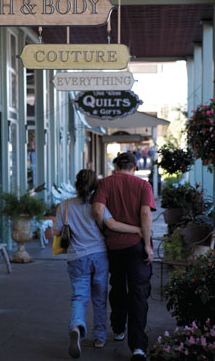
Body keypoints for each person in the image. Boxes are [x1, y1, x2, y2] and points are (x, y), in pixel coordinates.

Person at [54, 169, 144, 359]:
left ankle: (77, 326)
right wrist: (138, 229)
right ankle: (100, 337)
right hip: (99, 256)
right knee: (99, 298)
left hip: (76, 258)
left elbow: (56, 232)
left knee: (79, 296)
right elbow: (112, 225)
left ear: (76, 184)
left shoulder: (65, 206)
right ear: (96, 185)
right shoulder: (98, 205)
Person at [92, 152, 156, 361]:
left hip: (114, 246)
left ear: (115, 165)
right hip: (137, 246)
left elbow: (98, 211)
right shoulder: (143, 186)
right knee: (138, 293)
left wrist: (105, 231)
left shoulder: (105, 183)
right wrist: (147, 244)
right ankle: (137, 346)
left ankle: (118, 328)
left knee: (118, 285)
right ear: (135, 167)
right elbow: (146, 215)